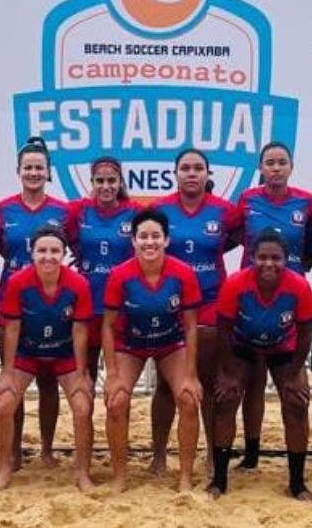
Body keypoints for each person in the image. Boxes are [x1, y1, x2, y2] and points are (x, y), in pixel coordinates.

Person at [149, 148, 241, 475]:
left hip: (211, 301)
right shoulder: (160, 209)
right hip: (170, 304)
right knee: (165, 385)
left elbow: (240, 237)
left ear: (207, 173)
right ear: (175, 173)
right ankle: (159, 454)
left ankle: (213, 455)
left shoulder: (224, 210)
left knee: (208, 381)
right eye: (185, 168)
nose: (191, 173)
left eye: (198, 168)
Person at [210, 231, 312, 500]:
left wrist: (294, 374)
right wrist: (227, 372)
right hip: (243, 344)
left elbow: (305, 334)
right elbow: (223, 330)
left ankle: (296, 483)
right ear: (251, 258)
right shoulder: (235, 283)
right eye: (262, 257)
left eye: (276, 258)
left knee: (296, 402)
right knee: (225, 398)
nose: (269, 263)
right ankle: (219, 480)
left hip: (284, 347)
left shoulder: (299, 286)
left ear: (286, 260)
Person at [102, 208, 204, 492]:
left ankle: (184, 478)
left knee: (188, 397)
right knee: (116, 400)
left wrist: (192, 374)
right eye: (143, 237)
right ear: (133, 241)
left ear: (167, 240)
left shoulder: (183, 273)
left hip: (170, 343)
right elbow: (108, 327)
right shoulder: (120, 275)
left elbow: (192, 326)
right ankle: (120, 477)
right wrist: (111, 374)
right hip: (130, 344)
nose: (150, 242)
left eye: (156, 236)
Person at [0, 136, 72, 470]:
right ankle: (15, 450)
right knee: (15, 380)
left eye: (40, 167)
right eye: (28, 168)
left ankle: (48, 449)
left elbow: (73, 249)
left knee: (49, 381)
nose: (34, 173)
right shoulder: (2, 209)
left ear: (48, 172)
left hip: (50, 304)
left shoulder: (62, 212)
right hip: (11, 302)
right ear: (18, 171)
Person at [0, 226, 96, 491]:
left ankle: (82, 472)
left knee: (83, 407)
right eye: (42, 251)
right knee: (3, 404)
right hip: (29, 352)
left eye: (54, 251)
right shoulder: (17, 282)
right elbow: (12, 328)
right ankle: (4, 469)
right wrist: (7, 371)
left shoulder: (79, 283)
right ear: (32, 253)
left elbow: (80, 330)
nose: (48, 256)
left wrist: (82, 373)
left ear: (64, 253)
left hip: (64, 353)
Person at [233, 141, 312, 470]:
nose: (276, 168)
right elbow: (235, 236)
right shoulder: (247, 200)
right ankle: (251, 453)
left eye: (282, 162)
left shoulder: (305, 201)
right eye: (270, 162)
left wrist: (294, 271)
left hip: (290, 299)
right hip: (251, 298)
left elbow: (311, 245)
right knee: (252, 383)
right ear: (261, 168)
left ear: (291, 167)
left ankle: (296, 460)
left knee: (293, 386)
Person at [68, 156, 136, 381]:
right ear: (92, 182)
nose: (106, 187)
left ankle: (116, 417)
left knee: (120, 377)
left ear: (120, 182)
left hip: (122, 306)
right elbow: (64, 236)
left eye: (111, 180)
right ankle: (85, 417)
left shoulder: (134, 212)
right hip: (89, 301)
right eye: (100, 181)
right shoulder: (79, 210)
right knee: (85, 373)